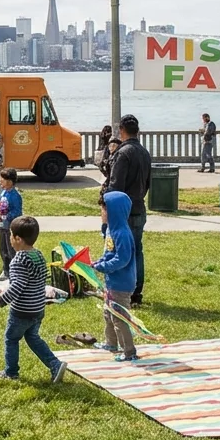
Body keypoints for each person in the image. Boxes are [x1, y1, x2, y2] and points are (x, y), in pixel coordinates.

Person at [0, 215, 68, 382]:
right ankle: (55, 365)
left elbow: (17, 286)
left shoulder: (19, 260)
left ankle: (11, 372)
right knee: (33, 338)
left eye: (11, 235)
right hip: (38, 309)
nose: (10, 239)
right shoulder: (38, 255)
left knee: (11, 339)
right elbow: (40, 278)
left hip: (22, 311)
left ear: (18, 239)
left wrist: (2, 299)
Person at [106, 114, 151, 306]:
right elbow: (147, 183)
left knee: (120, 252)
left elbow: (115, 187)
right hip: (139, 207)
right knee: (137, 251)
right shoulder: (144, 152)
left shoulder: (123, 154)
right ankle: (136, 293)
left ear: (122, 131)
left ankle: (122, 291)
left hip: (123, 212)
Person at [94, 191, 140, 362]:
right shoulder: (111, 231)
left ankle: (129, 352)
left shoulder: (122, 233)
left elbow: (122, 258)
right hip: (111, 282)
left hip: (122, 284)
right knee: (108, 313)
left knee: (120, 318)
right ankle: (111, 343)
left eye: (104, 210)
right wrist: (98, 262)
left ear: (114, 211)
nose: (101, 213)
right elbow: (109, 253)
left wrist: (104, 267)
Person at [0, 168, 23, 280]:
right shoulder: (3, 192)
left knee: (11, 250)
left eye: (2, 180)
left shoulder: (15, 196)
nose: (0, 182)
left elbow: (17, 212)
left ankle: (15, 273)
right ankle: (5, 271)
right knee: (3, 249)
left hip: (10, 228)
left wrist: (5, 217)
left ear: (10, 181)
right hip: (2, 226)